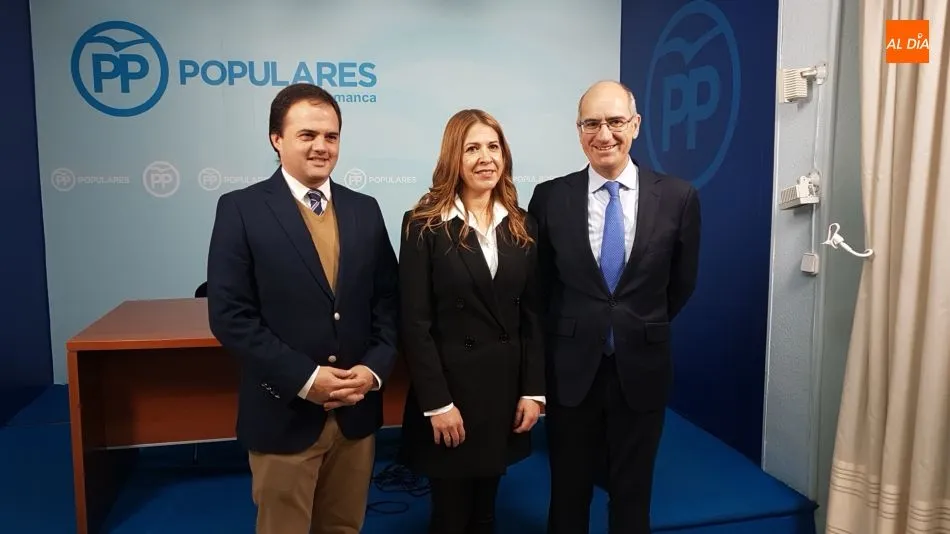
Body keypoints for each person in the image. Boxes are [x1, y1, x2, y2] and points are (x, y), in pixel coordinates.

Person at [206, 83, 399, 534]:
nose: (321, 147)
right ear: (276, 139)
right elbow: (231, 316)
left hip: (355, 414)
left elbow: (389, 302)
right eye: (307, 135)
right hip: (284, 414)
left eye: (331, 136)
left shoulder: (365, 209)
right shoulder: (240, 209)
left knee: (343, 527)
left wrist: (373, 370)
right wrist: (306, 379)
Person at [528, 80, 701, 534]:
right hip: (571, 371)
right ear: (578, 129)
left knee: (632, 493)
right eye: (592, 123)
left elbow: (680, 284)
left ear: (636, 125)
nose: (603, 134)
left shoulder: (678, 197)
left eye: (615, 121)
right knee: (568, 491)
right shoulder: (549, 197)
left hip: (642, 366)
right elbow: (539, 286)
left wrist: (634, 324)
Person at [398, 109, 546, 534]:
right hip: (451, 397)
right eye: (472, 148)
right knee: (450, 518)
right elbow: (414, 323)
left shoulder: (523, 224)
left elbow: (533, 315)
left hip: (503, 391)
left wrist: (533, 391)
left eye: (493, 147)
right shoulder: (423, 225)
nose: (486, 158)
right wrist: (438, 404)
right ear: (453, 158)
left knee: (485, 515)